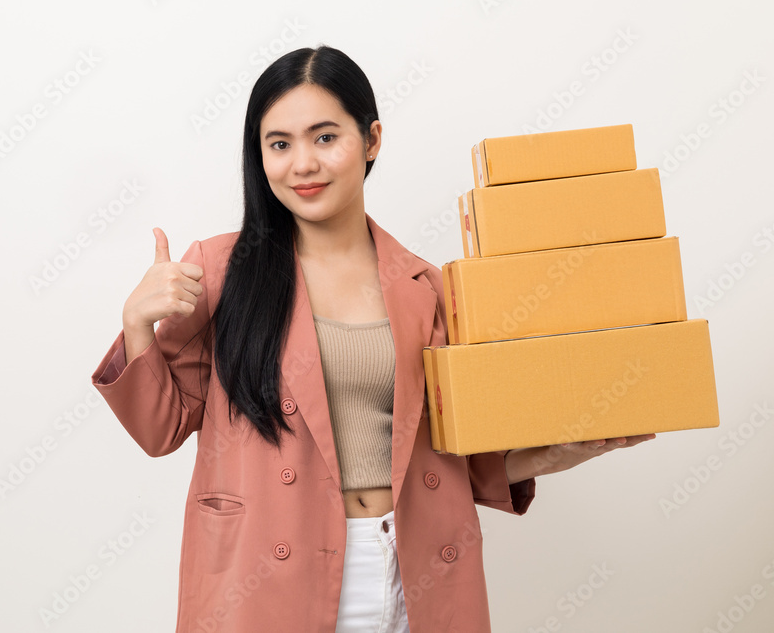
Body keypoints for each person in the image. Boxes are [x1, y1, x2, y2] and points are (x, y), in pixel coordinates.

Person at [90, 44, 655, 633]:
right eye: (278, 144)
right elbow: (160, 430)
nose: (302, 163)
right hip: (272, 575)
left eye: (325, 137)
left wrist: (569, 448)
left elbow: (459, 457)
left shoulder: (426, 287)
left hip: (414, 568)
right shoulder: (221, 269)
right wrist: (137, 324)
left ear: (372, 141)